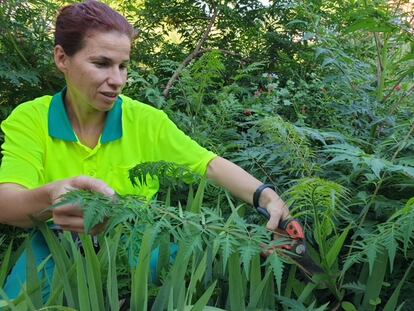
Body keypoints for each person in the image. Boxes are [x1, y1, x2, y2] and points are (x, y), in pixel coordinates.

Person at [0, 0, 289, 302]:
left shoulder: (146, 121)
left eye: (123, 66)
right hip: (56, 246)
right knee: (15, 304)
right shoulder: (32, 119)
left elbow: (208, 165)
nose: (117, 80)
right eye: (101, 64)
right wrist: (51, 197)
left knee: (200, 272)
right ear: (62, 58)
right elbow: (7, 205)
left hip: (139, 243)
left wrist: (266, 196)